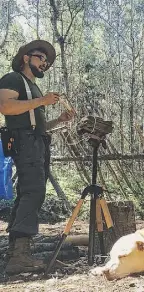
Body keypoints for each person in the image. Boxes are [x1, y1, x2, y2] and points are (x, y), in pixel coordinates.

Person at [0, 40, 75, 274]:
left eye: (47, 61)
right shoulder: (13, 79)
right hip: (25, 142)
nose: (45, 63)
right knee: (34, 192)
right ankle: (20, 255)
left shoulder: (35, 88)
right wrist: (42, 101)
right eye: (41, 58)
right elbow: (5, 107)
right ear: (26, 58)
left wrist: (58, 121)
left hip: (37, 142)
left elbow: (35, 123)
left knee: (27, 192)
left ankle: (16, 251)